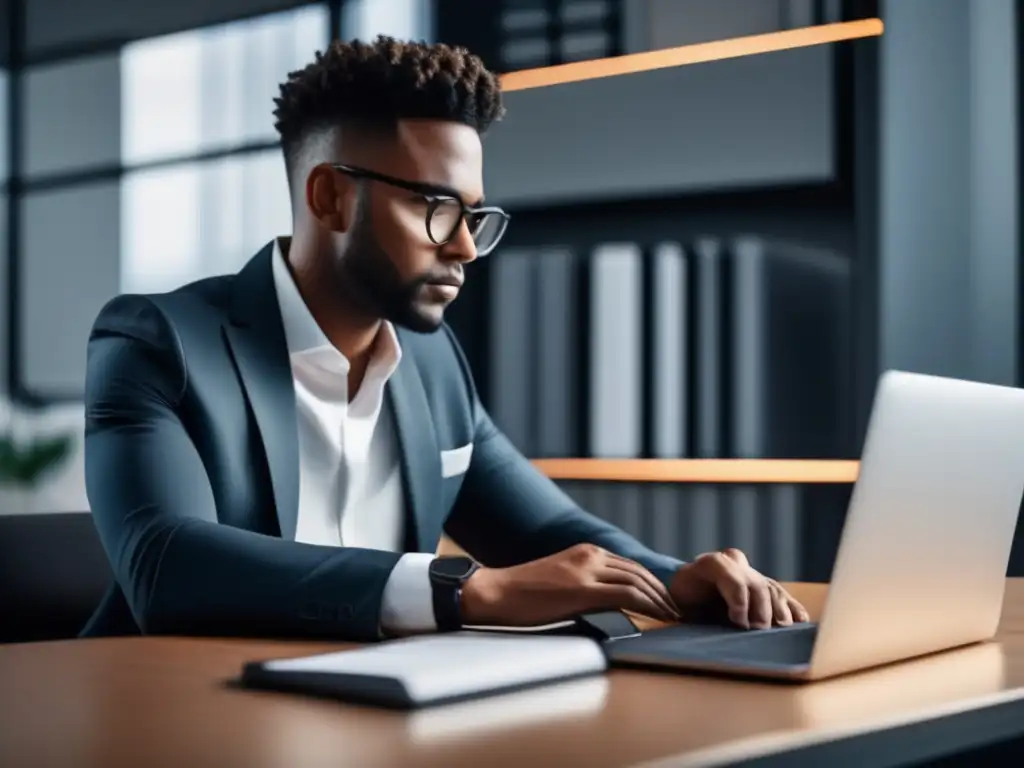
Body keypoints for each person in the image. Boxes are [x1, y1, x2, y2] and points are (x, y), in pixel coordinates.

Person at [82, 36, 808, 642]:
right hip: (176, 715)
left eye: (472, 215)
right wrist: (463, 592)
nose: (463, 246)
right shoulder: (157, 342)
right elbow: (165, 564)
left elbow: (545, 527)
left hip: (380, 711)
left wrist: (674, 578)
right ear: (329, 196)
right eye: (434, 208)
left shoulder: (430, 362)